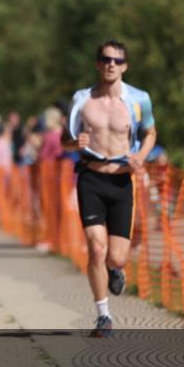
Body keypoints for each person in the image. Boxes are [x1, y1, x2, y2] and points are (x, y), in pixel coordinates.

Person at [63, 40, 157, 336]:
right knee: (95, 247)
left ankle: (117, 269)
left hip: (121, 179)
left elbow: (150, 133)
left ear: (125, 66)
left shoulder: (139, 99)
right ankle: (103, 315)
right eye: (105, 59)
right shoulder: (82, 99)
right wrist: (73, 143)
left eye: (117, 60)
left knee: (116, 256)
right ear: (97, 63)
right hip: (91, 178)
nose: (111, 64)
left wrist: (140, 157)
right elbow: (63, 139)